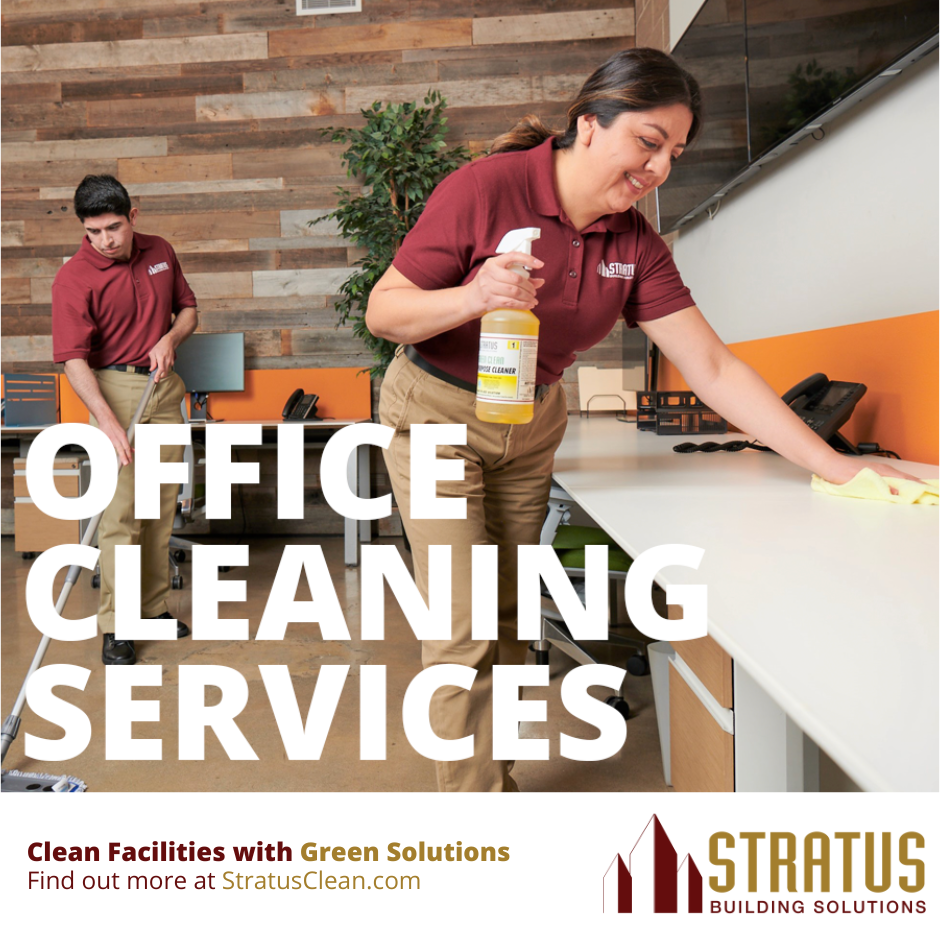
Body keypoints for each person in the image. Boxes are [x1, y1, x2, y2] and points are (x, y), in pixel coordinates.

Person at [366, 48, 919, 792]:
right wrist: (472, 297)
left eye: (674, 154)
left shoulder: (635, 244)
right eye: (648, 143)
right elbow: (384, 311)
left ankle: (488, 777)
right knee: (461, 626)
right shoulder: (486, 190)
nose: (659, 169)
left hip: (531, 424)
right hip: (433, 413)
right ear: (589, 126)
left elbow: (714, 369)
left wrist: (839, 466)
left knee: (501, 608)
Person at [51, 175, 198, 666]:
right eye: (93, 231)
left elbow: (188, 311)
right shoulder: (74, 277)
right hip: (113, 390)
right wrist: (108, 424)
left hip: (163, 388)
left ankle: (152, 609)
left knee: (159, 509)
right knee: (121, 518)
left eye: (113, 227)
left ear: (133, 216)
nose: (105, 241)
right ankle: (117, 624)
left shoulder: (160, 250)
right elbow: (74, 361)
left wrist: (170, 340)